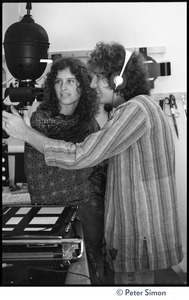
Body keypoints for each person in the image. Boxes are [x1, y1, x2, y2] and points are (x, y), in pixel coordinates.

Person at [3, 42, 184, 285]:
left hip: (139, 229)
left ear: (117, 80)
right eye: (59, 81)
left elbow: (82, 155)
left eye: (98, 77)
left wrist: (26, 134)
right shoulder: (141, 108)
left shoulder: (135, 111)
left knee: (136, 288)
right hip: (141, 227)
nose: (92, 84)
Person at [4, 57, 107, 285]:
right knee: (53, 277)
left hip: (89, 210)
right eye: (59, 82)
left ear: (82, 85)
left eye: (71, 81)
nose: (64, 87)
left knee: (93, 272)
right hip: (50, 212)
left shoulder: (90, 125)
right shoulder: (39, 121)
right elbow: (41, 168)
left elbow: (88, 163)